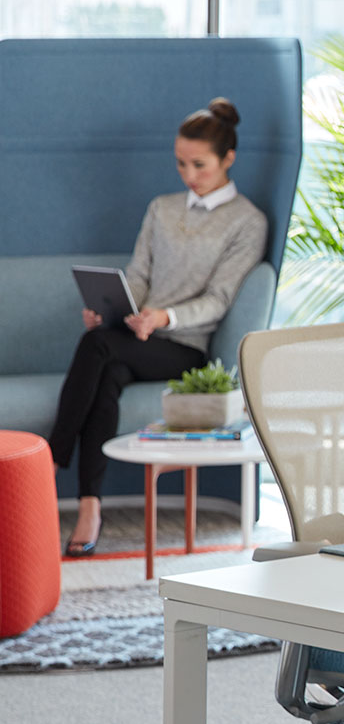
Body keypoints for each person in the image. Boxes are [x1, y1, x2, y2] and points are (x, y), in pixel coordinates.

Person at [48, 98, 266, 555]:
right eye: (181, 163)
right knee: (105, 370)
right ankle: (90, 507)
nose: (189, 174)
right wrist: (112, 308)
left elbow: (220, 299)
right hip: (133, 337)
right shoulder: (161, 208)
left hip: (184, 345)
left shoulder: (248, 222)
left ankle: (49, 465)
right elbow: (140, 275)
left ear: (228, 158)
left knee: (97, 346)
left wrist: (164, 317)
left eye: (200, 165)